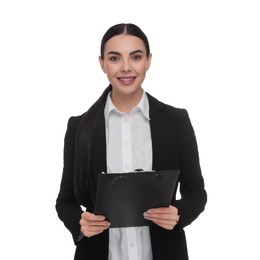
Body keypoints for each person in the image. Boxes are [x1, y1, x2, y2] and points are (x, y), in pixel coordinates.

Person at [56, 23, 207, 260]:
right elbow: (65, 201)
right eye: (115, 58)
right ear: (102, 63)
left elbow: (196, 192)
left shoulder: (176, 121)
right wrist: (78, 222)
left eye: (135, 57)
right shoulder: (79, 127)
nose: (126, 68)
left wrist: (179, 213)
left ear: (148, 60)